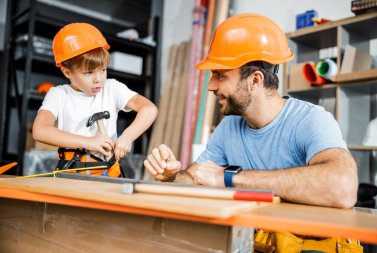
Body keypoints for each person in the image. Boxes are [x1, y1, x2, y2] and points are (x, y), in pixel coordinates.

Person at [144, 14, 358, 209]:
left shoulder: (310, 119)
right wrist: (172, 176)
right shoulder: (229, 127)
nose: (210, 86)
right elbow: (196, 177)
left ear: (255, 80)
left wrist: (229, 178)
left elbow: (343, 188)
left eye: (220, 75)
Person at [33, 23, 157, 176]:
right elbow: (40, 131)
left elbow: (149, 109)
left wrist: (127, 137)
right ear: (67, 72)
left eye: (103, 70)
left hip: (108, 172)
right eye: (88, 73)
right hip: (72, 174)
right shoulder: (58, 94)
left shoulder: (112, 88)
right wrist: (89, 142)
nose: (98, 79)